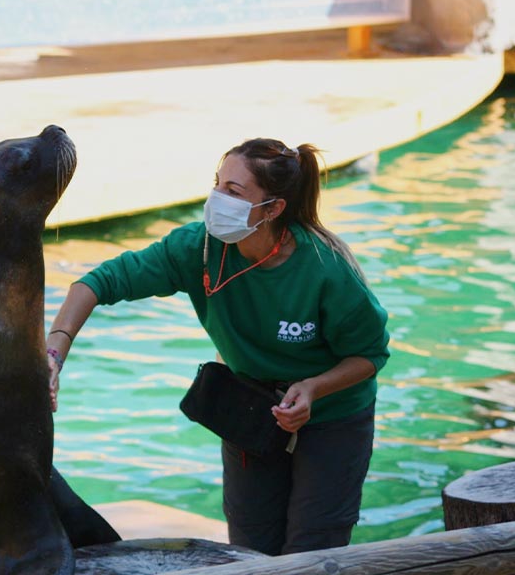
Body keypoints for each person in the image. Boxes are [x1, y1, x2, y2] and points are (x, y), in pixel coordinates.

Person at [45, 137, 390, 556]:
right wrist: (54, 352)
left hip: (333, 415)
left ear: (273, 208)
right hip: (251, 409)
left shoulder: (326, 270)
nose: (216, 199)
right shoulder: (199, 249)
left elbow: (371, 355)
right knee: (249, 547)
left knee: (312, 551)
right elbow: (97, 283)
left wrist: (314, 388)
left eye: (233, 191)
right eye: (217, 183)